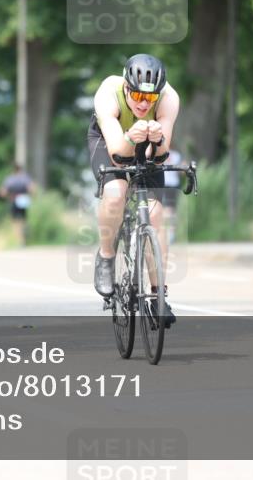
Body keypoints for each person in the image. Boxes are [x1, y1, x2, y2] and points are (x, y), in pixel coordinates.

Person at [88, 54, 179, 328]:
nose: (143, 104)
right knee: (116, 192)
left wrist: (157, 140)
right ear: (127, 88)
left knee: (155, 214)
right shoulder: (108, 93)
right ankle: (106, 257)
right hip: (109, 140)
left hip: (146, 141)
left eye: (150, 98)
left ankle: (158, 296)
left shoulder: (169, 99)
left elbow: (160, 157)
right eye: (138, 95)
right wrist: (130, 137)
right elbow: (118, 155)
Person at [0, 164, 36, 246]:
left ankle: (19, 240)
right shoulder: (25, 178)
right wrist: (31, 196)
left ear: (14, 170)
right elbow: (32, 188)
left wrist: (6, 196)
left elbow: (2, 191)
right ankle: (24, 238)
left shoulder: (10, 179)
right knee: (23, 220)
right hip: (24, 200)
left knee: (15, 221)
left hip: (14, 199)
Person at [161, 149, 184, 245]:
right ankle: (167, 233)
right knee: (165, 210)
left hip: (172, 185)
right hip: (163, 184)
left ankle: (170, 233)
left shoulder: (176, 155)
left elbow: (182, 171)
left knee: (170, 210)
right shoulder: (159, 152)